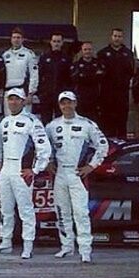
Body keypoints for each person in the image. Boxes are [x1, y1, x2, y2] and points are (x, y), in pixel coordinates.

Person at [46, 91, 109, 263]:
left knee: (81, 212)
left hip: (77, 174)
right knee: (62, 212)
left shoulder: (87, 124)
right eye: (63, 103)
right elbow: (44, 147)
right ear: (59, 105)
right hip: (59, 174)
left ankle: (85, 250)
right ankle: (66, 246)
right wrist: (48, 162)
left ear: (75, 104)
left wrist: (91, 166)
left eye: (69, 103)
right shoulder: (52, 126)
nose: (66, 106)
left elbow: (103, 146)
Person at [0, 88, 50, 259]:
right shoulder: (4, 122)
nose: (13, 102)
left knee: (25, 209)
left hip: (22, 170)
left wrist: (36, 169)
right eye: (10, 99)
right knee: (5, 208)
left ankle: (28, 244)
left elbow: (44, 148)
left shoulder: (33, 121)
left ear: (24, 101)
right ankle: (5, 242)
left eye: (17, 99)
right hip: (6, 168)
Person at [97, 28, 135, 138]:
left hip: (122, 93)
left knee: (122, 121)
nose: (117, 38)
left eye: (119, 36)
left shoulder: (128, 54)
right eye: (115, 36)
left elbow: (131, 72)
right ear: (111, 37)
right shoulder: (103, 53)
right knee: (107, 122)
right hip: (107, 94)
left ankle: (122, 148)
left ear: (122, 38)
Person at [36, 32, 72, 124]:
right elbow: (39, 75)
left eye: (58, 41)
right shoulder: (44, 58)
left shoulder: (67, 58)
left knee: (61, 120)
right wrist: (40, 91)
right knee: (45, 120)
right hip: (46, 94)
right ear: (51, 42)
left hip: (61, 94)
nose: (56, 43)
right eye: (54, 41)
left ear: (62, 43)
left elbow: (70, 78)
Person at [2, 27, 38, 116]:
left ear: (22, 39)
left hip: (22, 91)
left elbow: (34, 74)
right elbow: (1, 76)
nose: (16, 40)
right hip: (8, 91)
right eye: (14, 37)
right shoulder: (5, 55)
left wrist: (30, 94)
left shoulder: (29, 54)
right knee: (9, 118)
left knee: (24, 118)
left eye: (18, 37)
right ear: (11, 39)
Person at [70, 42, 105, 121]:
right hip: (81, 99)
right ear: (82, 51)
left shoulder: (99, 64)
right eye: (85, 49)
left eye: (89, 49)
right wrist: (93, 76)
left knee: (95, 122)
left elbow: (101, 78)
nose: (87, 51)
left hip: (96, 99)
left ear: (92, 50)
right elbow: (75, 79)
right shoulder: (76, 65)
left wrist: (84, 76)